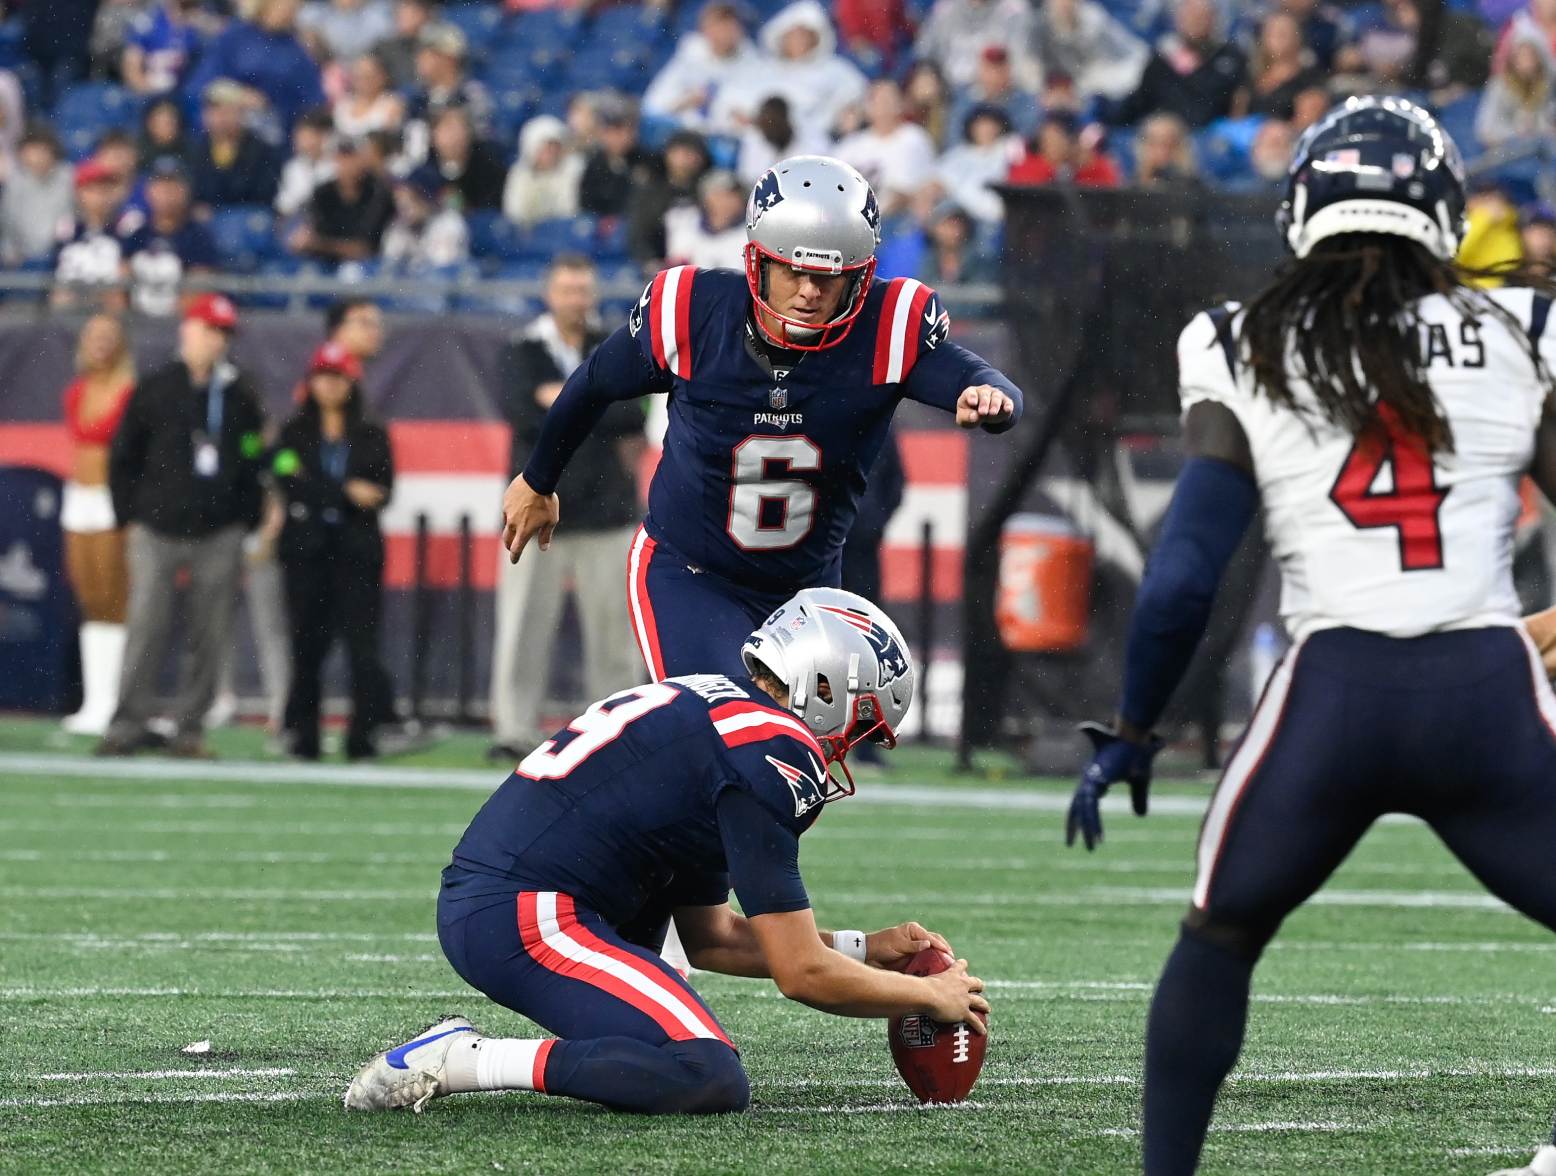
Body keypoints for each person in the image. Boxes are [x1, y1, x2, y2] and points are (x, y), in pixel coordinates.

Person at [1062, 96, 1556, 1176]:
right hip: (1483, 690)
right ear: (1435, 209)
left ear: (1299, 210)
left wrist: (1135, 729)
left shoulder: (1239, 340)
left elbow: (1185, 575)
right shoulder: (1518, 330)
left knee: (1218, 938)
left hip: (1328, 697)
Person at [345, 588, 989, 1116]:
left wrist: (865, 947)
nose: (849, 746)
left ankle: (588, 1042)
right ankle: (460, 1059)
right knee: (705, 1073)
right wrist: (932, 1000)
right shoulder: (770, 748)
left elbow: (709, 937)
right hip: (527, 914)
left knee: (675, 1038)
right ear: (827, 688)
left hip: (516, 902)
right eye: (862, 721)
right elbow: (802, 975)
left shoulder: (715, 708)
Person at [499, 155, 1023, 689]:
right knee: (727, 728)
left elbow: (985, 383)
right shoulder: (694, 310)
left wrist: (990, 398)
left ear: (859, 277)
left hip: (809, 591)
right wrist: (539, 479)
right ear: (759, 262)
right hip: (690, 574)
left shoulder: (886, 326)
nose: (808, 292)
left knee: (794, 759)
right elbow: (592, 384)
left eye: (828, 277)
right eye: (793, 270)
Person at [490, 255, 645, 761]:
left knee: (613, 636)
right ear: (548, 293)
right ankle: (513, 728)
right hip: (535, 508)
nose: (576, 299)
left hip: (606, 509)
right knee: (523, 626)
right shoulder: (523, 349)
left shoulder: (613, 344)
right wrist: (589, 402)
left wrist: (563, 401)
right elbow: (518, 410)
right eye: (567, 289)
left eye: (583, 290)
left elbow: (631, 410)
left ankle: (616, 730)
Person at [98, 294, 265, 758]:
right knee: (146, 627)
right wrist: (128, 515)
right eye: (210, 330)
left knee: (209, 634)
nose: (217, 341)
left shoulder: (239, 396)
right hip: (157, 528)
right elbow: (123, 455)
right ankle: (127, 723)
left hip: (219, 531)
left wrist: (245, 519)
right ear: (187, 330)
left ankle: (189, 729)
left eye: (224, 334)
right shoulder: (155, 387)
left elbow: (253, 459)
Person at [272, 342, 395, 760]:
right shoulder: (293, 432)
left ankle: (363, 735)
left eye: (337, 377)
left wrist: (321, 489)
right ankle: (303, 735)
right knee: (307, 647)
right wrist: (344, 491)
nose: (329, 385)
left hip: (356, 553)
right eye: (322, 376)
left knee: (362, 648)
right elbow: (289, 478)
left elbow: (383, 491)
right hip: (306, 553)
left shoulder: (371, 433)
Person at [60, 314, 137, 736]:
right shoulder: (76, 391)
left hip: (111, 496)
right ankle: (95, 700)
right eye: (94, 336)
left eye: (109, 336)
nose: (100, 343)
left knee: (114, 597)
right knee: (88, 596)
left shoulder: (127, 392)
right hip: (79, 496)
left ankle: (117, 700)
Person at [710, 2, 868, 140]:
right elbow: (731, 99)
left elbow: (855, 93)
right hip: (760, 142)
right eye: (793, 35)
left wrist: (849, 112)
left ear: (816, 38)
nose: (799, 41)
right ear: (782, 37)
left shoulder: (834, 68)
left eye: (805, 35)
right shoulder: (762, 67)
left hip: (814, 143)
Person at [182, 0, 326, 138]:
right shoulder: (235, 37)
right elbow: (199, 86)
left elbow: (313, 102)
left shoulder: (296, 50)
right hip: (227, 130)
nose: (287, 9)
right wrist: (237, 95)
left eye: (292, 5)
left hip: (275, 135)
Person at [1110, 0, 1247, 128]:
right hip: (1167, 138)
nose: (1195, 22)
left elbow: (1240, 104)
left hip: (1212, 138)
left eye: (1201, 17)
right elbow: (1140, 102)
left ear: (1213, 20)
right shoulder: (1161, 60)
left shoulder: (1232, 58)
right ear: (1178, 20)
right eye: (1190, 16)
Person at [119, 155, 218, 317]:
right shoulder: (136, 235)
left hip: (178, 323)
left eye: (173, 185)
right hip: (136, 322)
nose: (166, 192)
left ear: (186, 190)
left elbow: (198, 288)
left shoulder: (198, 237)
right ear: (148, 191)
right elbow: (120, 285)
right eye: (160, 185)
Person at [642, 1, 759, 133]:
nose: (725, 30)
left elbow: (754, 111)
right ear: (704, 29)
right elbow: (652, 107)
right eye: (718, 24)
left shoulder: (752, 63)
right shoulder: (688, 58)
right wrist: (686, 101)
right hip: (686, 137)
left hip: (730, 141)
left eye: (730, 23)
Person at [834, 80, 938, 219]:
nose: (883, 106)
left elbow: (912, 191)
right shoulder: (852, 145)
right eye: (878, 100)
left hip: (898, 219)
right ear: (867, 107)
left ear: (900, 104)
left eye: (889, 99)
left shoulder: (913, 138)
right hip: (854, 221)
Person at [290, 136, 394, 264]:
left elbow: (363, 249)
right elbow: (309, 236)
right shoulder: (323, 192)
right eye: (341, 158)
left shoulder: (378, 192)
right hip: (326, 264)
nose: (346, 164)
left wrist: (318, 243)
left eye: (351, 157)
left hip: (368, 268)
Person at [188, 79, 282, 212]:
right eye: (215, 111)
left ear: (241, 113)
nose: (221, 118)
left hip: (248, 217)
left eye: (228, 111)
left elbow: (265, 193)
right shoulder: (196, 149)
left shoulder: (260, 149)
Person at [1031, 0, 1150, 104]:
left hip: (1115, 71)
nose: (1064, 4)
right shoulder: (1040, 23)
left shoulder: (1093, 19)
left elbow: (1105, 61)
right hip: (1068, 84)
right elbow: (1036, 67)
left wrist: (1076, 90)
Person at [52, 158, 128, 312]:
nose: (99, 197)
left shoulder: (127, 227)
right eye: (91, 190)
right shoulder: (67, 229)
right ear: (79, 193)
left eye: (105, 189)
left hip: (112, 311)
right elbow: (56, 285)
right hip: (71, 308)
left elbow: (125, 282)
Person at [629, 129, 711, 268]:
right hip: (662, 264)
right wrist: (649, 260)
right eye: (679, 153)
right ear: (667, 155)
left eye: (690, 153)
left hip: (706, 260)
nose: (684, 159)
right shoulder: (651, 192)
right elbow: (639, 232)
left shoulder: (710, 189)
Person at [914, 0, 1038, 90]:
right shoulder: (946, 8)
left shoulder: (1013, 10)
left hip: (997, 93)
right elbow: (923, 54)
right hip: (949, 93)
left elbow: (1019, 62)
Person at [1233, 10, 1325, 120]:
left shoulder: (1309, 80)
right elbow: (1237, 121)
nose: (1277, 38)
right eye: (1272, 32)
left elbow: (1307, 125)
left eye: (1283, 33)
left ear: (1298, 37)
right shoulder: (1250, 77)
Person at [1, 126, 73, 266]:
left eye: (43, 150)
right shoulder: (14, 183)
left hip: (63, 256)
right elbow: (7, 226)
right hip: (23, 259)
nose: (38, 157)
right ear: (21, 153)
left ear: (53, 151)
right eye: (32, 150)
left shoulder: (70, 177)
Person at [948, 46, 1044, 145]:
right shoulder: (963, 98)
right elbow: (954, 139)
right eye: (989, 70)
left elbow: (1026, 138)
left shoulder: (1025, 101)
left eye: (1000, 70)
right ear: (980, 71)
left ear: (1009, 71)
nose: (994, 77)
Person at [502, 115, 583, 229]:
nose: (551, 152)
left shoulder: (573, 169)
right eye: (545, 147)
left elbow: (570, 211)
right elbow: (513, 213)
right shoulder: (519, 174)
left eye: (555, 147)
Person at [577, 96, 651, 219]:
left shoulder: (648, 161)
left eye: (629, 130)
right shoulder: (594, 165)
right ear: (604, 133)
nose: (624, 137)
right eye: (617, 131)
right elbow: (587, 206)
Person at [381, 166, 468, 270]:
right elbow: (387, 270)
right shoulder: (399, 226)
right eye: (400, 198)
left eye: (413, 197)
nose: (404, 204)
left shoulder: (450, 224)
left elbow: (441, 274)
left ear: (428, 199)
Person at [423, 105, 505, 212]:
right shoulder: (424, 173)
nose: (454, 137)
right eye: (448, 129)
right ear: (433, 136)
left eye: (460, 129)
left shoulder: (488, 170)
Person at [663, 169, 747, 270]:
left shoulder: (751, 232)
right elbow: (676, 270)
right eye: (720, 195)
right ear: (707, 199)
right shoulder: (685, 222)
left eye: (734, 194)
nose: (728, 201)